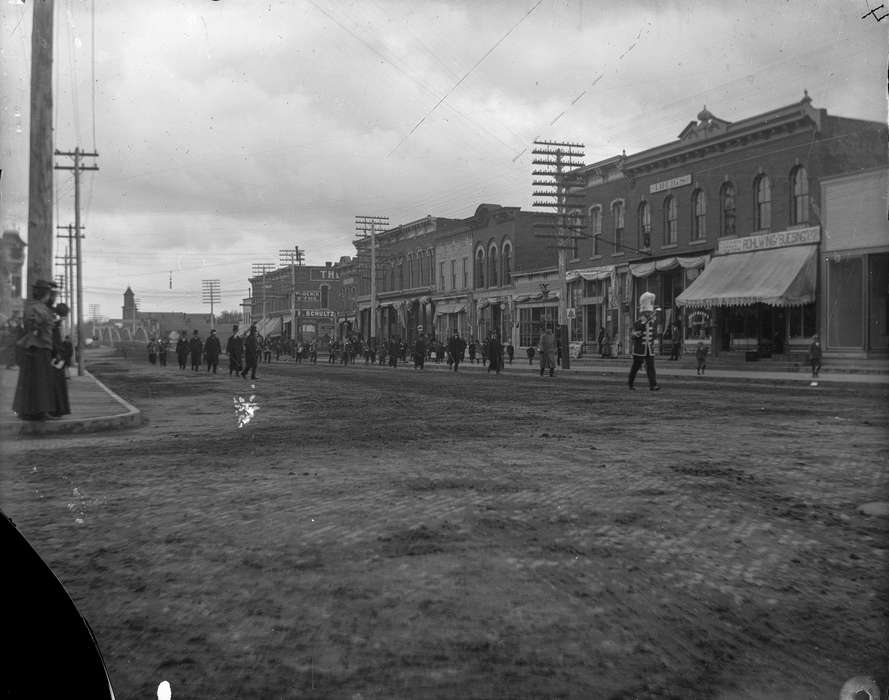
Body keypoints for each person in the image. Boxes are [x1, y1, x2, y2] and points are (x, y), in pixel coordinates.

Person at [12, 279, 57, 420]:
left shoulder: (30, 306)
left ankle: (26, 410)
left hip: (31, 346)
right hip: (40, 346)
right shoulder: (40, 308)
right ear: (46, 294)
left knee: (28, 381)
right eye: (49, 294)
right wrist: (42, 329)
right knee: (41, 380)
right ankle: (41, 411)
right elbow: (35, 326)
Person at [628, 292, 661, 391]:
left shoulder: (652, 323)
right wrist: (640, 329)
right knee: (636, 367)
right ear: (643, 313)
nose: (649, 314)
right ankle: (630, 383)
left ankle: (653, 385)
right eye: (647, 313)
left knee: (651, 367)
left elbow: (654, 335)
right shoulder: (638, 323)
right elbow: (634, 335)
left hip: (649, 349)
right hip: (639, 349)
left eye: (649, 313)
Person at [48, 302, 71, 418]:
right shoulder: (56, 324)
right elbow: (57, 342)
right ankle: (56, 410)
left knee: (56, 385)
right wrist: (59, 357)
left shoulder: (57, 323)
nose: (64, 318)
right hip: (55, 357)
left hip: (56, 357)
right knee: (56, 385)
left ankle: (57, 410)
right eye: (65, 315)